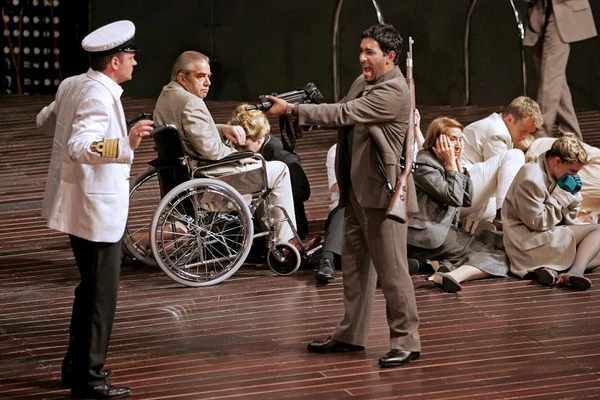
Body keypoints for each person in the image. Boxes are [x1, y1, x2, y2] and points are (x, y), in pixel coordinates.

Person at [266, 23, 421, 368]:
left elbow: (344, 113)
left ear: (390, 56)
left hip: (382, 195)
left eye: (370, 52)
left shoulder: (394, 91)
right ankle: (351, 334)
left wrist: (292, 110)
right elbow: (341, 111)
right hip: (355, 191)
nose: (362, 58)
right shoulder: (362, 83)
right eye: (361, 51)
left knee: (393, 273)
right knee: (354, 270)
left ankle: (406, 341)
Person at [37, 20, 154, 399]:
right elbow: (79, 145)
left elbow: (44, 121)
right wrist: (124, 143)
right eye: (131, 55)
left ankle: (76, 367)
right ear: (115, 61)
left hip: (76, 203)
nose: (135, 61)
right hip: (96, 209)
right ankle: (90, 378)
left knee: (89, 288)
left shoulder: (73, 84)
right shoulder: (98, 96)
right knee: (101, 295)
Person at [153, 51, 300, 246]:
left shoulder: (166, 95)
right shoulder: (191, 102)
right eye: (200, 77)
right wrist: (239, 156)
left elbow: (188, 130)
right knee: (278, 170)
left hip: (183, 177)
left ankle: (274, 240)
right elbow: (211, 151)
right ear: (182, 78)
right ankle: (285, 241)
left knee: (263, 171)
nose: (208, 83)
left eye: (209, 76)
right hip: (208, 180)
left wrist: (222, 129)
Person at [407, 117, 509, 293]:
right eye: (452, 139)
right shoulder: (425, 164)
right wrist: (451, 165)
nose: (458, 145)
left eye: (460, 139)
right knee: (498, 255)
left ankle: (436, 264)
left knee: (494, 241)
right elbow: (453, 197)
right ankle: (452, 275)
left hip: (440, 232)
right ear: (437, 140)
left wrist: (458, 165)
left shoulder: (442, 162)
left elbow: (466, 199)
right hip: (427, 236)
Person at [503, 136, 600, 291]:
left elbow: (570, 217)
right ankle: (575, 272)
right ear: (557, 161)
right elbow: (538, 222)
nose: (575, 176)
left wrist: (573, 195)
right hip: (527, 242)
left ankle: (554, 270)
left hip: (547, 234)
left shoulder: (557, 173)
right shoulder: (531, 178)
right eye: (573, 171)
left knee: (593, 248)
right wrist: (562, 194)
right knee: (597, 231)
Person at [227, 104, 313, 241]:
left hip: (288, 225)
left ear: (259, 138)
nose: (239, 151)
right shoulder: (252, 148)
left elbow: (303, 191)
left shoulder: (282, 156)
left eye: (244, 147)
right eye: (236, 146)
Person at [459, 96, 543, 227]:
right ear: (509, 119)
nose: (524, 137)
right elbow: (500, 183)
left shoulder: (495, 124)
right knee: (515, 155)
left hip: (465, 194)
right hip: (462, 192)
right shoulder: (498, 132)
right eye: (523, 131)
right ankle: (503, 215)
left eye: (529, 133)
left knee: (528, 208)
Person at [523, 0, 597, 139]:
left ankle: (541, 133)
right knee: (554, 80)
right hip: (540, 11)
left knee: (550, 78)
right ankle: (573, 136)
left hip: (563, 10)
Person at [522, 133, 600, 217]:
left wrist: (574, 195)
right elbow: (542, 218)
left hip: (537, 147)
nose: (575, 176)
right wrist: (566, 193)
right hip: (531, 153)